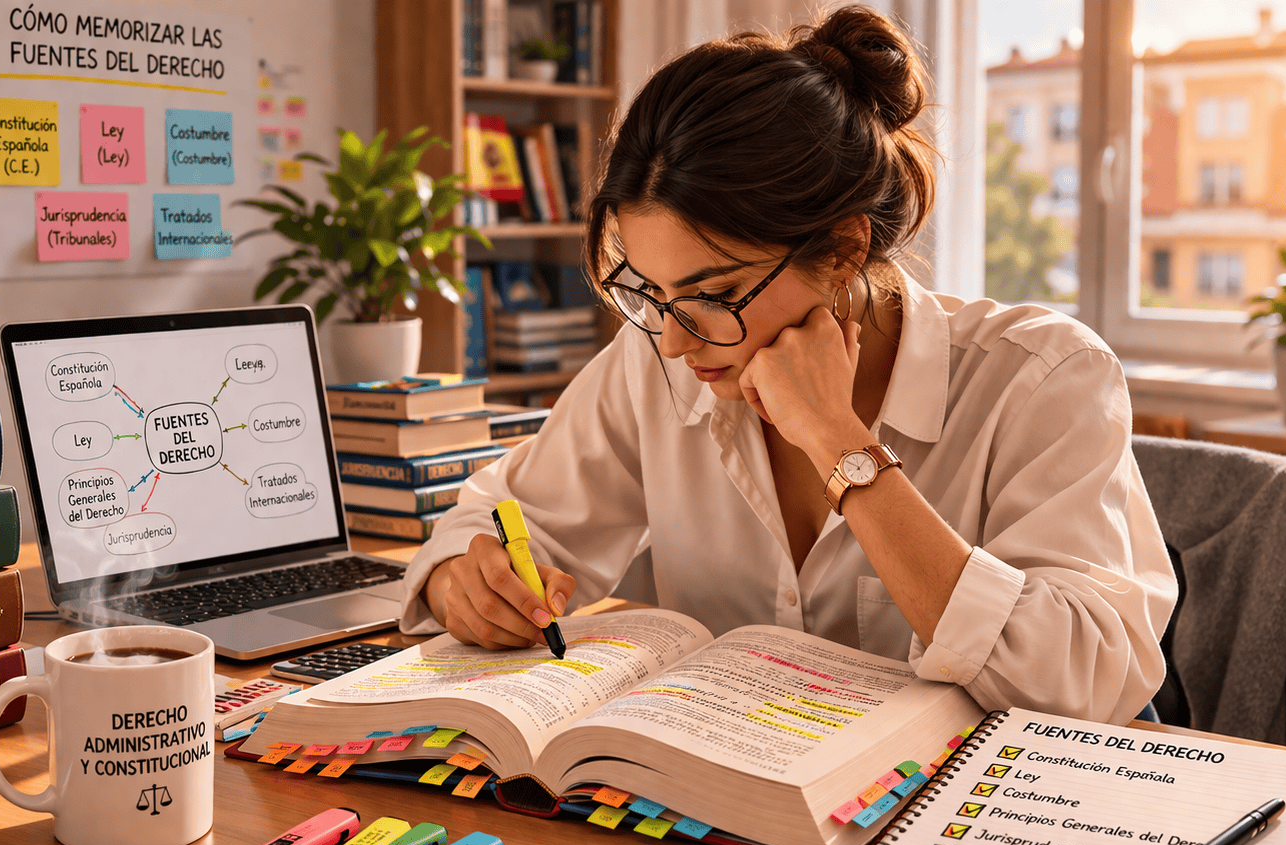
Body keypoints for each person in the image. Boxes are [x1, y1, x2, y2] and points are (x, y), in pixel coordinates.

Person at [398, 4, 1177, 724]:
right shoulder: (660, 360)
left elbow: (1082, 680)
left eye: (714, 292)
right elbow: (504, 513)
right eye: (653, 292)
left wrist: (842, 444)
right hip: (724, 819)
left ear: (842, 249)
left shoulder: (1041, 376)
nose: (673, 339)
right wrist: (462, 579)